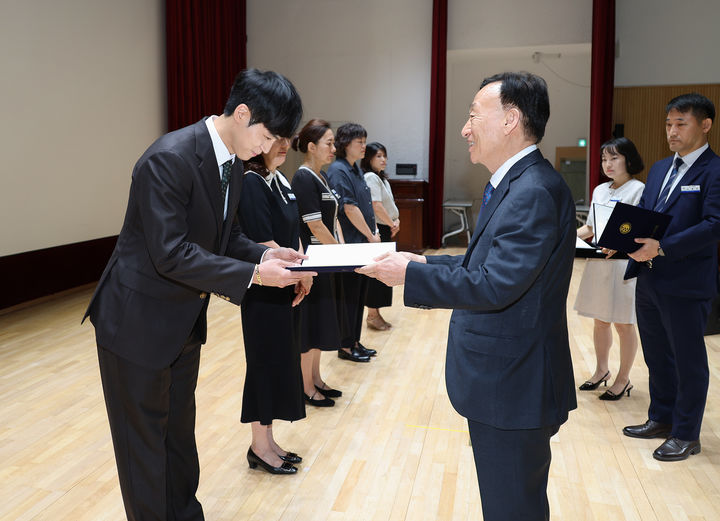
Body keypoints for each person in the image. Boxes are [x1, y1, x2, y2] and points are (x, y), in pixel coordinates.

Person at [82, 69, 312, 520]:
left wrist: (266, 255)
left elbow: (224, 238)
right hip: (135, 325)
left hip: (182, 323)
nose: (266, 150)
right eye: (265, 136)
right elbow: (171, 253)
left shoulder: (232, 163)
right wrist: (254, 275)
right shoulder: (169, 158)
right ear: (241, 113)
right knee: (144, 451)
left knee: (178, 442)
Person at [359, 72, 577, 521]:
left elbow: (495, 285)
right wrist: (418, 264)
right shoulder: (513, 184)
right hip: (508, 380)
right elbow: (483, 267)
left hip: (513, 385)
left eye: (474, 115)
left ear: (510, 120)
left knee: (512, 508)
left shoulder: (532, 190)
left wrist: (408, 277)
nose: (464, 129)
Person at [622, 93, 720, 462]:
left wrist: (661, 247)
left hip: (686, 282)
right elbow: (647, 215)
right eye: (668, 124)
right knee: (657, 355)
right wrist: (624, 240)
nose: (672, 131)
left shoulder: (714, 171)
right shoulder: (661, 168)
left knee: (688, 359)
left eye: (681, 123)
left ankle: (686, 433)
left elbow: (714, 225)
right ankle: (661, 418)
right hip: (649, 278)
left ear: (705, 125)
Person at [237, 137, 312, 475]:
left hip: (287, 282)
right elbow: (261, 241)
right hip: (264, 288)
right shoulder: (251, 181)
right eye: (275, 138)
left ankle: (269, 441)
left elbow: (293, 234)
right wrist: (298, 270)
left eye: (286, 138)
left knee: (280, 361)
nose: (283, 145)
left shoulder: (279, 179)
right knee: (263, 365)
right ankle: (258, 445)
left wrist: (304, 272)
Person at [574, 137, 644, 400]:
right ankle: (601, 370)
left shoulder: (639, 189)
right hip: (599, 262)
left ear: (628, 159)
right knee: (600, 321)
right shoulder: (600, 191)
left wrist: (620, 242)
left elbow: (640, 229)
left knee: (624, 324)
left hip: (624, 264)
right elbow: (591, 228)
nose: (608, 164)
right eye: (604, 159)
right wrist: (569, 238)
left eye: (614, 157)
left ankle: (623, 379)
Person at [291, 119, 345, 407]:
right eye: (329, 143)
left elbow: (332, 223)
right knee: (309, 327)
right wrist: (342, 254)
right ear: (311, 147)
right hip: (314, 261)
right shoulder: (302, 178)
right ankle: (305, 385)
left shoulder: (320, 176)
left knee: (320, 325)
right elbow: (316, 227)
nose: (334, 148)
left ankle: (316, 378)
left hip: (326, 261)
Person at [327, 123, 377, 362]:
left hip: (361, 244)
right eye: (360, 142)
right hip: (351, 244)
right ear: (346, 144)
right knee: (348, 297)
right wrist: (370, 235)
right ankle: (345, 345)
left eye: (365, 142)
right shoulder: (338, 170)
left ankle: (355, 340)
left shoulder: (354, 168)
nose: (364, 147)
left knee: (358, 295)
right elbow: (348, 207)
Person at [362, 142, 400, 331]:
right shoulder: (370, 177)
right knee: (378, 274)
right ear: (368, 158)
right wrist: (392, 222)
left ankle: (376, 313)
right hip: (379, 229)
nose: (383, 159)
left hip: (387, 227)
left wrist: (396, 220)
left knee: (384, 273)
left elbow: (389, 204)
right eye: (378, 156)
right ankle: (372, 315)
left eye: (384, 155)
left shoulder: (380, 178)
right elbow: (376, 205)